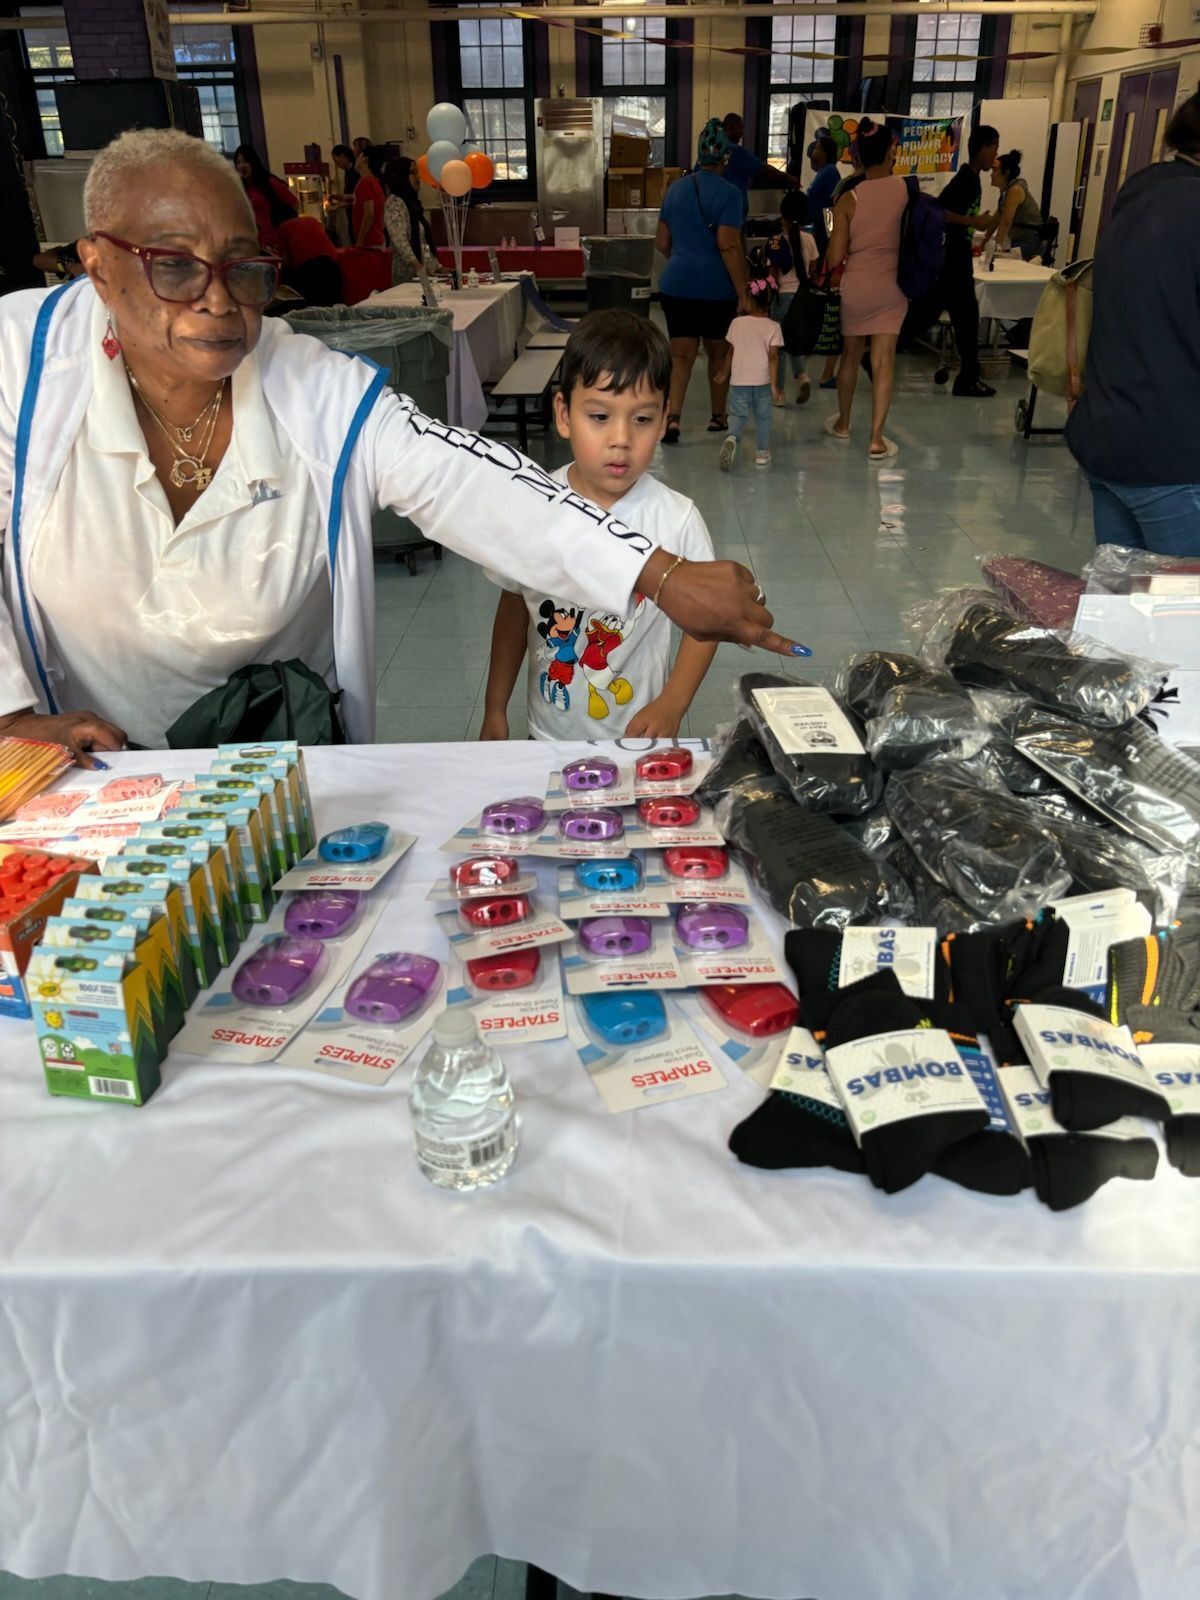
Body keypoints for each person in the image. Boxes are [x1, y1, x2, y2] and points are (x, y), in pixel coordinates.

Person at [0, 129, 794, 763]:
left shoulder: (313, 384)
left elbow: (468, 482)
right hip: (93, 753)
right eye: (174, 265)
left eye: (243, 269)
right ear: (98, 266)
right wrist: (8, 717)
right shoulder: (19, 363)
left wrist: (655, 572)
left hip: (276, 744)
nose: (217, 299)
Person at [480, 312, 716, 740]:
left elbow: (707, 622)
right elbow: (514, 608)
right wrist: (495, 708)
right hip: (547, 735)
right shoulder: (531, 506)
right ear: (564, 414)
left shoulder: (676, 519)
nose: (621, 438)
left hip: (639, 739)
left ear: (664, 418)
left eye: (641, 419)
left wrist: (672, 703)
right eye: (600, 416)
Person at [1065, 92, 1200, 556]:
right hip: (1173, 452)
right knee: (1183, 619)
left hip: (1110, 432)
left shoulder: (1141, 190)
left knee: (1123, 608)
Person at [656, 118, 747, 443]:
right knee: (718, 353)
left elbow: (662, 243)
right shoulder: (730, 194)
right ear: (725, 159)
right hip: (716, 290)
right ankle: (718, 417)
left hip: (676, 286)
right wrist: (742, 292)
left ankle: (674, 419)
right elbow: (729, 244)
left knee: (681, 355)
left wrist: (684, 260)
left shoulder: (675, 189)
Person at [823, 121, 907, 461]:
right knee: (884, 361)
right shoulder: (906, 190)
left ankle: (843, 423)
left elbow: (835, 256)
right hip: (892, 285)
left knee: (850, 357)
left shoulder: (849, 199)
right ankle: (875, 439)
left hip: (857, 286)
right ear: (890, 151)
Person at [900, 123, 999, 399]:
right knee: (962, 316)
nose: (996, 155)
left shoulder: (971, 178)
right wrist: (972, 221)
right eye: (993, 148)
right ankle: (967, 378)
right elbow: (940, 212)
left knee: (930, 314)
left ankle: (878, 354)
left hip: (954, 260)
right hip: (953, 261)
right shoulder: (966, 180)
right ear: (982, 149)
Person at [719, 255, 785, 472]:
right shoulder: (773, 327)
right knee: (763, 417)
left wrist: (723, 372)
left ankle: (731, 437)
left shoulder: (736, 323)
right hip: (762, 381)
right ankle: (762, 453)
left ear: (748, 300)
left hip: (739, 381)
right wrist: (775, 386)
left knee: (738, 415)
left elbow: (731, 351)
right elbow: (773, 358)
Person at [768, 190, 817, 404]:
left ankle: (778, 393)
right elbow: (812, 269)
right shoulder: (810, 239)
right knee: (795, 342)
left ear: (782, 215)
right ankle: (802, 377)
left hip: (783, 299)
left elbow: (772, 276)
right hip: (803, 299)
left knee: (779, 349)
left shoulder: (776, 243)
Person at [383, 156, 439, 284]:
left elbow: (423, 241)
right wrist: (417, 267)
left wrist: (434, 267)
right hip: (406, 278)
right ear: (401, 176)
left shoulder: (412, 204)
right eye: (413, 173)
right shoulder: (394, 203)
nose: (418, 177)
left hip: (421, 277)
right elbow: (400, 241)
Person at [720, 112, 794, 209]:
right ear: (730, 128)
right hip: (731, 209)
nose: (742, 133)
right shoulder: (734, 150)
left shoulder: (712, 151)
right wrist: (789, 178)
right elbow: (763, 170)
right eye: (740, 128)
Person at [233, 144, 297, 252]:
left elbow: (293, 202)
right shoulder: (241, 188)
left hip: (274, 241)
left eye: (245, 161)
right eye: (238, 163)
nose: (241, 165)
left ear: (253, 162)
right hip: (255, 243)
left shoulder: (269, 182)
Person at [985, 149, 1044, 260]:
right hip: (1019, 241)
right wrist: (984, 242)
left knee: (1001, 262)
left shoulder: (1015, 190)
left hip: (1030, 242)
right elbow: (997, 219)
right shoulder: (1005, 193)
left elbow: (1006, 222)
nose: (991, 175)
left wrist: (994, 250)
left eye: (995, 170)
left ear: (1006, 173)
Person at [274, 213, 341, 306]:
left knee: (313, 302)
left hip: (307, 265)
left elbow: (285, 261)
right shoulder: (312, 219)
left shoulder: (283, 227)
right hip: (331, 260)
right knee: (333, 300)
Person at [806, 134, 841, 257]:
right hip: (818, 227)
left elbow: (834, 203)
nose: (813, 151)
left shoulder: (830, 171)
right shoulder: (822, 172)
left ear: (824, 153)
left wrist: (831, 236)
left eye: (817, 148)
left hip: (824, 232)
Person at [352, 145, 386, 248]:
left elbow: (369, 213)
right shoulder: (375, 181)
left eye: (359, 157)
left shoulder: (365, 182)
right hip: (378, 238)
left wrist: (360, 240)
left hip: (369, 242)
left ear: (365, 159)